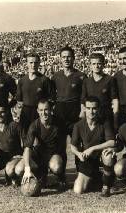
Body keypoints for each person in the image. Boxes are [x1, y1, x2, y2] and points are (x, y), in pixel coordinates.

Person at [51, 46, 86, 177]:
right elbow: (51, 97)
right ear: (60, 59)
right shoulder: (55, 77)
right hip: (60, 115)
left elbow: (85, 97)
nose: (66, 59)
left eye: (69, 56)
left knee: (77, 146)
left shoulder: (81, 76)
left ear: (73, 58)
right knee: (60, 147)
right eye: (64, 56)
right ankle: (61, 177)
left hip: (75, 115)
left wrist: (82, 112)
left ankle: (81, 173)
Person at [70, 96, 116, 197]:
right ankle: (99, 177)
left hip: (100, 157)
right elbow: (73, 147)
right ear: (84, 109)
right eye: (88, 108)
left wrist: (92, 148)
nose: (91, 111)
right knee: (78, 189)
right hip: (87, 160)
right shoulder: (78, 125)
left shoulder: (104, 123)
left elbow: (112, 142)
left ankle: (106, 185)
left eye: (94, 108)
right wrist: (79, 154)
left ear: (98, 109)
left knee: (108, 155)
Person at [20, 99, 66, 192]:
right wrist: (27, 168)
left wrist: (59, 161)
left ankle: (61, 178)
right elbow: (27, 147)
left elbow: (63, 147)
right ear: (37, 111)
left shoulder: (59, 123)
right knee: (19, 169)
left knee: (56, 166)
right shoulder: (34, 125)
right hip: (39, 154)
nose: (43, 113)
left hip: (54, 154)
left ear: (51, 109)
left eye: (46, 109)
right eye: (41, 110)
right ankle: (40, 176)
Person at [16, 52, 53, 131]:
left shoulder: (44, 80)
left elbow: (50, 99)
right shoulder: (22, 81)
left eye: (36, 62)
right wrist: (19, 115)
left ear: (39, 63)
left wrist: (45, 114)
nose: (33, 65)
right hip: (25, 114)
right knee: (25, 138)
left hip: (39, 113)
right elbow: (19, 101)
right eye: (31, 62)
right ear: (27, 63)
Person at [81, 53, 118, 128]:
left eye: (99, 63)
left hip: (106, 117)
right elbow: (83, 101)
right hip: (91, 118)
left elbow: (115, 100)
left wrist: (115, 117)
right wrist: (84, 116)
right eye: (94, 64)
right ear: (90, 65)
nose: (96, 66)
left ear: (103, 64)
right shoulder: (86, 81)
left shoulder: (110, 79)